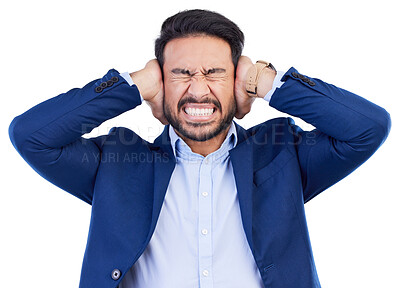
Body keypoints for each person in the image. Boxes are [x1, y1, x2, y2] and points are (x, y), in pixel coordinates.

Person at [8, 9, 390, 288]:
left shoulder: (282, 154)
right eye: (181, 73)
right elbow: (31, 135)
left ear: (237, 79)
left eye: (214, 72)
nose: (198, 89)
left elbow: (368, 128)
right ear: (162, 80)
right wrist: (132, 86)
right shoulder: (117, 162)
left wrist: (268, 82)